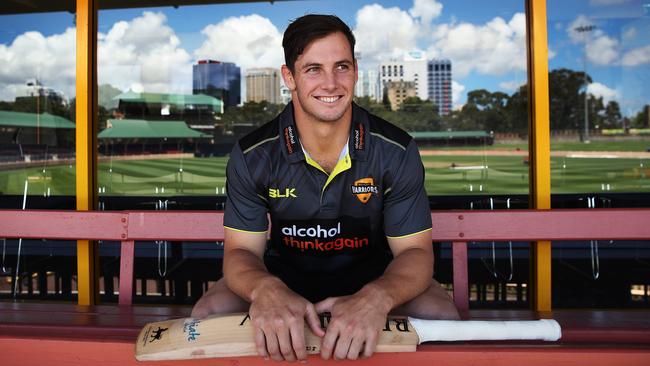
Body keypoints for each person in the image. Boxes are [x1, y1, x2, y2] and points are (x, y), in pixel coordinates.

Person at [191, 14, 459, 361]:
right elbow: (241, 252)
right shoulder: (253, 154)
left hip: (374, 278)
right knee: (208, 312)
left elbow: (416, 254)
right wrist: (265, 289)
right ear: (289, 77)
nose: (331, 83)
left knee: (443, 317)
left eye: (342, 67)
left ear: (356, 71)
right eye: (314, 69)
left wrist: (376, 297)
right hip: (284, 279)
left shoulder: (394, 149)